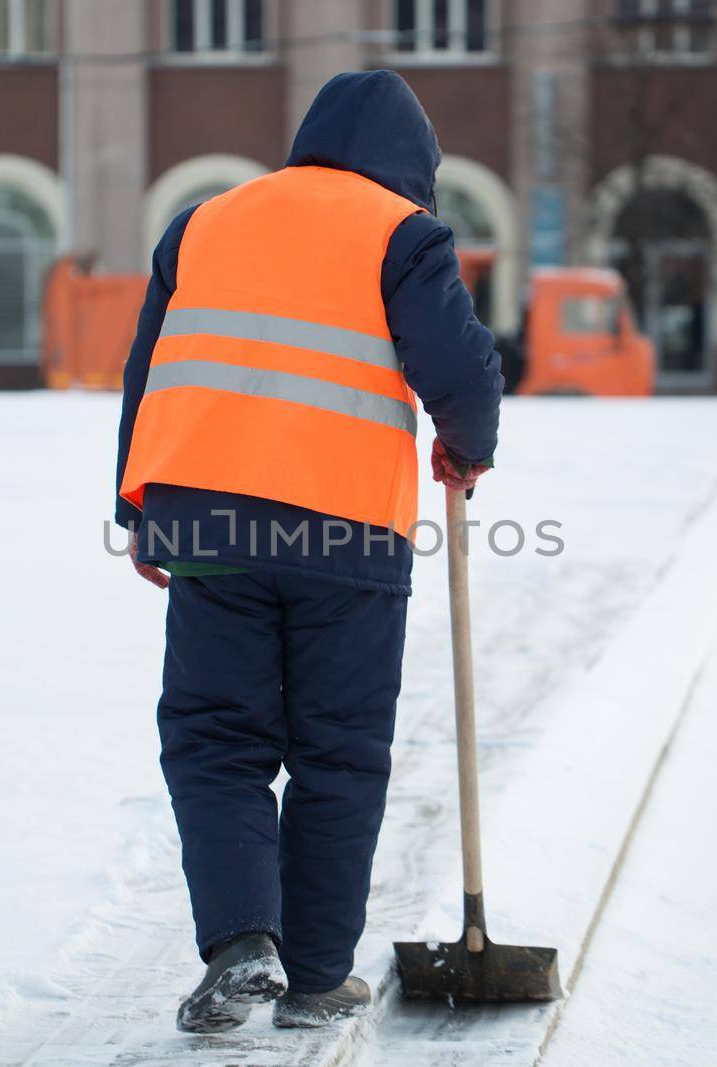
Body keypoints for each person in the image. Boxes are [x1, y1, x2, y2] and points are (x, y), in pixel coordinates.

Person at [115, 70, 502, 1033]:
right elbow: (457, 365)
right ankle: (319, 973)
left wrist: (142, 506)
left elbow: (148, 364)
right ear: (416, 167)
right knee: (338, 751)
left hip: (208, 522)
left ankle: (244, 939)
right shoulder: (402, 232)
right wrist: (468, 444)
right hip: (343, 529)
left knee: (214, 738)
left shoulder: (205, 222)